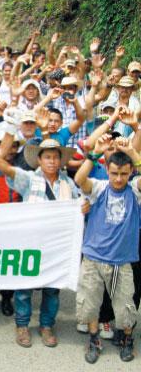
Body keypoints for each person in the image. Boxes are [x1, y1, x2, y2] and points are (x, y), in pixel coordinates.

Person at [0, 139, 81, 348]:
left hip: (56, 247)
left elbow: (79, 205)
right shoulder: (29, 180)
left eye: (55, 157)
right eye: (47, 157)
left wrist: (83, 208)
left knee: (52, 289)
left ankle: (46, 325)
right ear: (39, 160)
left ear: (61, 161)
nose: (52, 161)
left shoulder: (68, 184)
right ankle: (22, 325)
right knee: (24, 288)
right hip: (31, 244)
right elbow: (8, 169)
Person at [74, 136, 139, 363]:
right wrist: (94, 154)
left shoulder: (135, 192)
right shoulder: (100, 188)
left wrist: (132, 151)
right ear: (108, 171)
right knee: (90, 303)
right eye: (114, 173)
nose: (118, 178)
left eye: (123, 173)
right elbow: (80, 178)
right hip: (93, 258)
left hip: (122, 261)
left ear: (131, 171)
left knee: (125, 306)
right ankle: (94, 339)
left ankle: (126, 339)